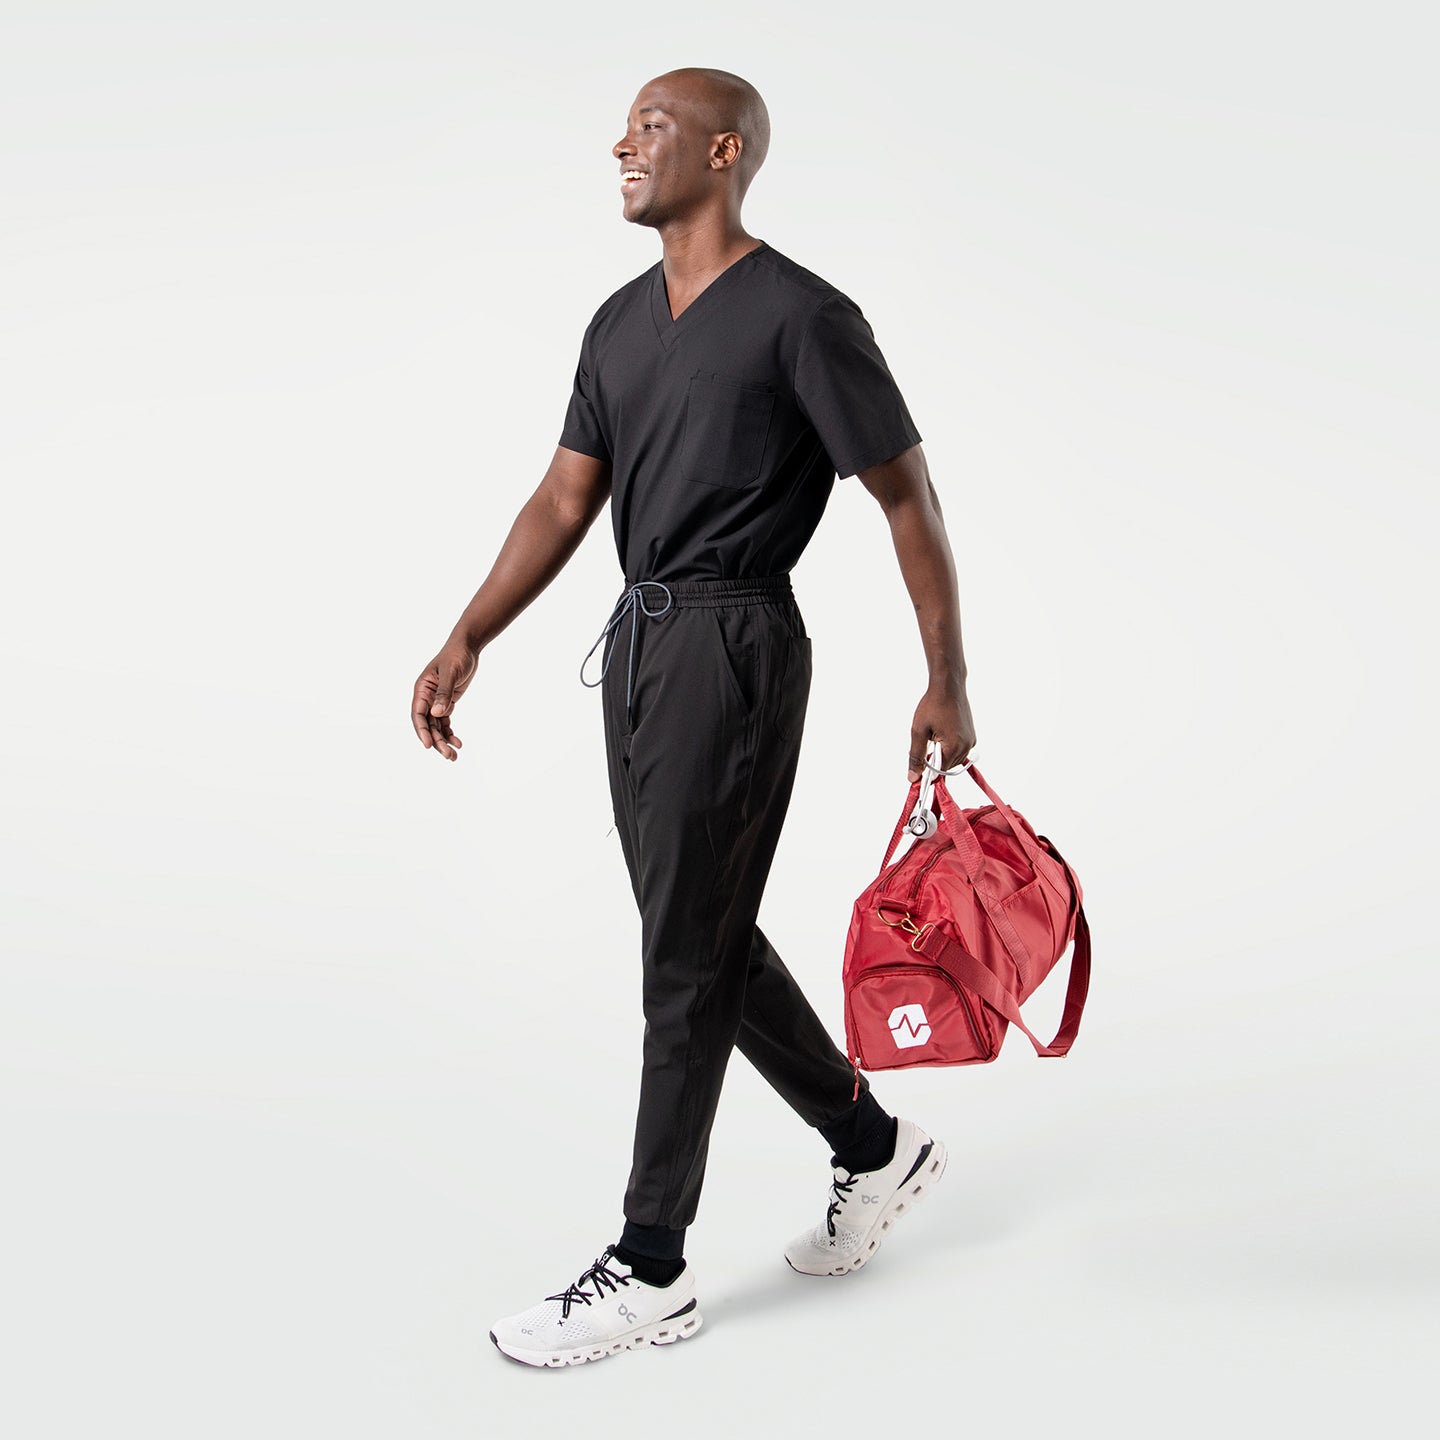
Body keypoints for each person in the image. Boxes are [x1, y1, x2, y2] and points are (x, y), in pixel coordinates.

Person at [410, 67, 976, 1369]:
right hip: (641, 644)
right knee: (698, 936)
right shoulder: (616, 323)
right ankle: (873, 1147)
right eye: (625, 125)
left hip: (737, 639)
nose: (622, 143)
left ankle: (650, 1264)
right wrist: (466, 635)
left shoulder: (803, 317)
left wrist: (945, 675)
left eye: (651, 127)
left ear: (724, 154)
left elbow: (907, 497)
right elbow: (562, 502)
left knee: (683, 954)